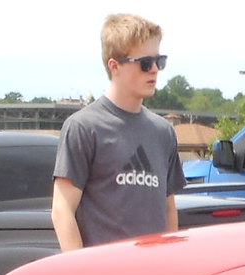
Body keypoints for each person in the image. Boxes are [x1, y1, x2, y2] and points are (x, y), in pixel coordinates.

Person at [50, 12, 184, 250]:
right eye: (145, 63)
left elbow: (168, 207)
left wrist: (170, 263)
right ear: (115, 66)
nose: (154, 70)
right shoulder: (84, 127)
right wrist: (80, 273)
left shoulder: (163, 132)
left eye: (159, 61)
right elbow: (62, 210)